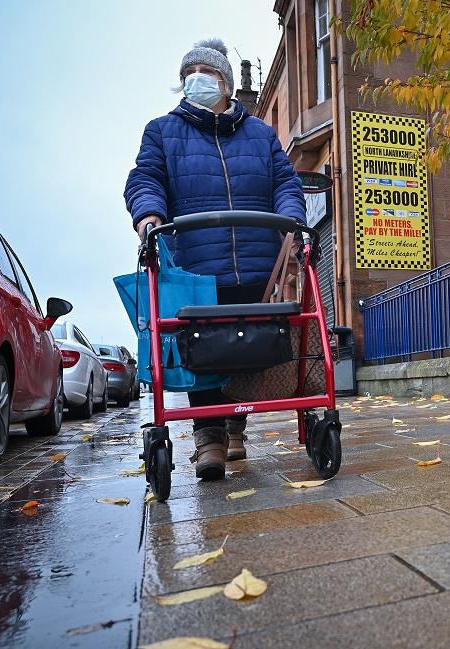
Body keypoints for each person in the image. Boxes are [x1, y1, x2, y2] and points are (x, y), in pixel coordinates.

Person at [124, 38, 306, 480]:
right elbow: (146, 178)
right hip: (197, 264)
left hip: (258, 261)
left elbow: (285, 182)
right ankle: (210, 438)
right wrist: (148, 215)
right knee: (204, 353)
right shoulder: (162, 131)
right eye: (189, 75)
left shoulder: (260, 134)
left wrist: (292, 223)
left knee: (246, 349)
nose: (195, 81)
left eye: (205, 74)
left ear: (224, 82)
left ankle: (235, 427)